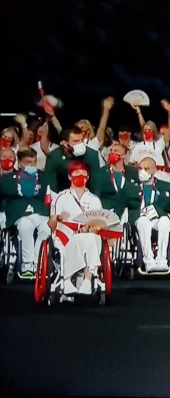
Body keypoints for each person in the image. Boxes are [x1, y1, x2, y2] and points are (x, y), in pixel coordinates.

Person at [48, 161, 106, 295]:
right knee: (75, 240)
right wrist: (57, 218)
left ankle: (87, 280)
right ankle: (67, 281)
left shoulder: (94, 199)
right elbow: (52, 225)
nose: (80, 175)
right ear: (69, 176)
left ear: (88, 177)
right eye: (76, 172)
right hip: (66, 234)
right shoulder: (61, 197)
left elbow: (100, 221)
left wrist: (94, 227)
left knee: (92, 238)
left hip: (87, 234)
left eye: (83, 173)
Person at [0, 148, 54, 277]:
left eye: (34, 162)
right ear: (20, 164)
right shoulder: (7, 179)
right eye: (28, 162)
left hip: (41, 213)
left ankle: (38, 263)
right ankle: (27, 266)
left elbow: (52, 196)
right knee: (25, 225)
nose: (32, 165)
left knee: (46, 229)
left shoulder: (45, 177)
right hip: (19, 214)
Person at [133, 157, 170, 272]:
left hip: (156, 219)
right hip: (140, 220)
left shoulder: (166, 186)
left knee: (165, 220)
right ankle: (148, 260)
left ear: (154, 170)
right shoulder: (132, 186)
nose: (142, 171)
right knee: (144, 221)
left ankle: (162, 259)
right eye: (140, 168)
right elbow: (123, 205)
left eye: (146, 168)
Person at [128, 100, 170, 212]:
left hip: (162, 177)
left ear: (153, 132)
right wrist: (139, 113)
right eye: (145, 130)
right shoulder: (137, 147)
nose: (147, 132)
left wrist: (169, 111)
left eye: (149, 130)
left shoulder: (158, 144)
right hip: (144, 179)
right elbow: (131, 164)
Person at [45, 125, 104, 193]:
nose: (80, 144)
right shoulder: (54, 157)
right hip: (62, 196)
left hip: (87, 196)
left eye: (81, 140)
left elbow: (96, 185)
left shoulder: (91, 155)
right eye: (76, 141)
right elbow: (50, 185)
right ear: (65, 143)